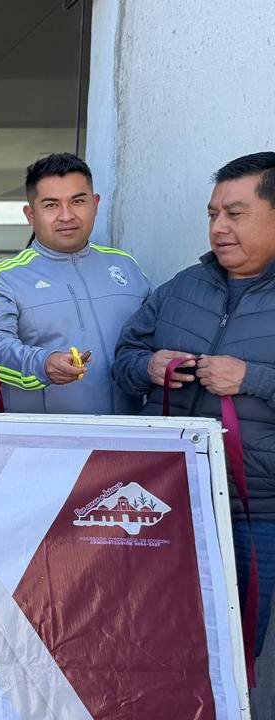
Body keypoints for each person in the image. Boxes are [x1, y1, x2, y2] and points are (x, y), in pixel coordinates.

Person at [114, 152, 275, 653]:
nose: (219, 227)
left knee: (232, 655)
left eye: (235, 213)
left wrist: (254, 377)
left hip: (258, 516)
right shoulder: (183, 286)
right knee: (151, 650)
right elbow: (124, 359)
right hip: (165, 504)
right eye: (212, 214)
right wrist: (148, 368)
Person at [0, 153, 151, 414]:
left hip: (127, 439)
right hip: (46, 444)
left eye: (78, 201)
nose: (66, 215)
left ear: (95, 204)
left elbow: (153, 339)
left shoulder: (127, 267)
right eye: (51, 205)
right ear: (30, 214)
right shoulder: (3, 278)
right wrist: (42, 364)